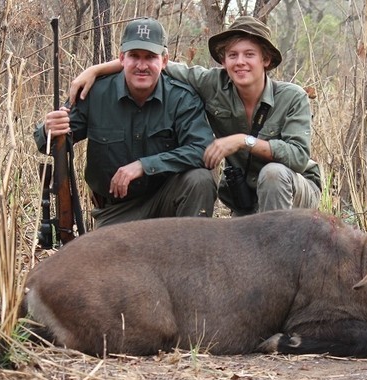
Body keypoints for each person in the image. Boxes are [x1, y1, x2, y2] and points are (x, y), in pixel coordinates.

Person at [70, 16, 321, 216]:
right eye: (232, 55)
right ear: (223, 60)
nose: (240, 62)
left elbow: (298, 158)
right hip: (246, 197)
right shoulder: (211, 83)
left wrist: (243, 141)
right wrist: (96, 70)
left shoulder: (292, 96)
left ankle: (277, 264)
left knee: (273, 174)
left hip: (293, 189)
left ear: (266, 59)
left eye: (249, 54)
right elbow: (154, 65)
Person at [34, 18, 217, 228]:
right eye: (134, 56)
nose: (141, 65)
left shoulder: (182, 97)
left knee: (200, 180)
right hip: (116, 210)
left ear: (164, 61)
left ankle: (189, 257)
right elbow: (51, 144)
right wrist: (49, 129)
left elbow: (202, 150)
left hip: (167, 201)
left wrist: (144, 165)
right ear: (122, 57)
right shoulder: (94, 93)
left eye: (150, 57)